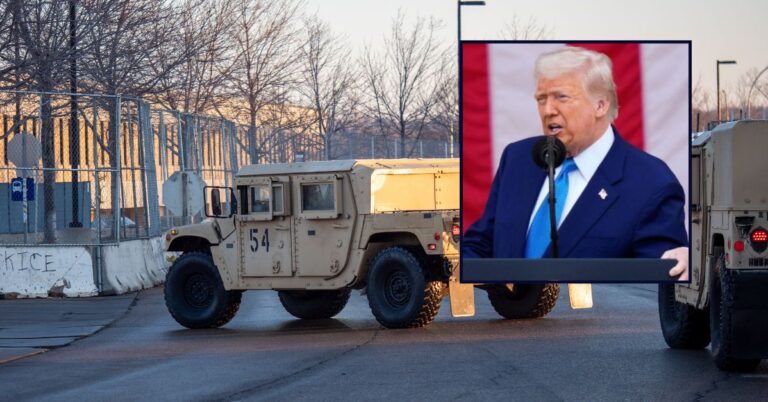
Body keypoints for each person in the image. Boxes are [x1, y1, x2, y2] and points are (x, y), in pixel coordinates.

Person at [462, 46, 689, 280]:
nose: (548, 110)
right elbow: (480, 245)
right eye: (541, 99)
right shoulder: (518, 159)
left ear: (600, 105)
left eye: (562, 97)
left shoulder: (652, 183)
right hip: (506, 313)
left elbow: (654, 291)